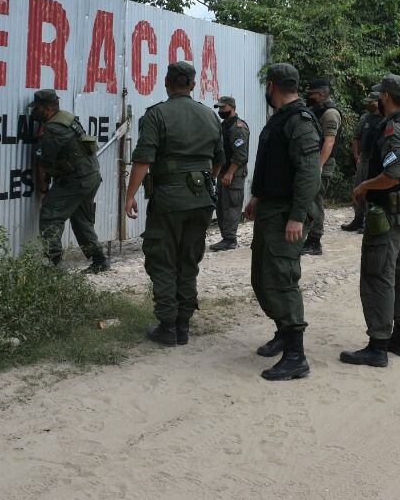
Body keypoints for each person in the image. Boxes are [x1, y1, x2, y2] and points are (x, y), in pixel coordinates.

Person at [124, 61, 224, 347]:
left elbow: (144, 159)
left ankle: (167, 325)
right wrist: (206, 183)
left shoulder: (157, 115)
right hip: (202, 200)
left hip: (168, 199)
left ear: (166, 82)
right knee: (189, 259)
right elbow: (219, 161)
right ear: (193, 85)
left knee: (163, 259)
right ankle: (183, 324)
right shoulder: (210, 116)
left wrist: (130, 195)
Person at [340, 74, 400, 367]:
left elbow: (394, 173)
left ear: (386, 97)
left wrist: (364, 186)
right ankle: (399, 340)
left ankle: (378, 345)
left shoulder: (394, 129)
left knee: (378, 277)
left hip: (387, 216)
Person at [244, 64, 322, 380]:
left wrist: (297, 217)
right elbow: (274, 166)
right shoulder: (280, 118)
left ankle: (296, 355)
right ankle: (282, 332)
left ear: (272, 85)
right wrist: (258, 196)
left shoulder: (300, 121)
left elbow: (308, 173)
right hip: (270, 210)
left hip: (285, 215)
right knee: (262, 279)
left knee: (282, 280)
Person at [29, 89, 110, 273]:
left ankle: (54, 263)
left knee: (50, 214)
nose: (34, 112)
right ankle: (99, 260)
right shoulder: (67, 118)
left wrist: (43, 189)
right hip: (90, 175)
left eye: (38, 108)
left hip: (76, 179)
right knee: (81, 220)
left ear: (48, 109)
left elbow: (44, 161)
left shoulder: (53, 129)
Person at [301, 78, 342, 256]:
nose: (309, 96)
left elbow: (329, 141)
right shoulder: (317, 111)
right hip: (314, 163)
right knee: (310, 200)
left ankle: (314, 241)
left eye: (312, 94)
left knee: (316, 200)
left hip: (322, 164)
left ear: (321, 94)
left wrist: (318, 166)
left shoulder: (330, 113)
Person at [209, 95, 250, 252]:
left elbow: (240, 155)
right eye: (219, 108)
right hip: (224, 172)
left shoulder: (238, 128)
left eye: (223, 108)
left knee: (232, 205)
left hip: (234, 173)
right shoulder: (225, 125)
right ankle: (226, 237)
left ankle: (230, 239)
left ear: (232, 108)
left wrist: (230, 173)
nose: (221, 111)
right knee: (221, 206)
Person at [340, 88, 382, 233]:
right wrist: (356, 154)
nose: (369, 104)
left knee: (372, 190)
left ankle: (370, 221)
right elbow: (356, 137)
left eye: (372, 102)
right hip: (364, 158)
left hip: (377, 160)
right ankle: (358, 219)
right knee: (358, 188)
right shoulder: (365, 118)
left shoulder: (386, 118)